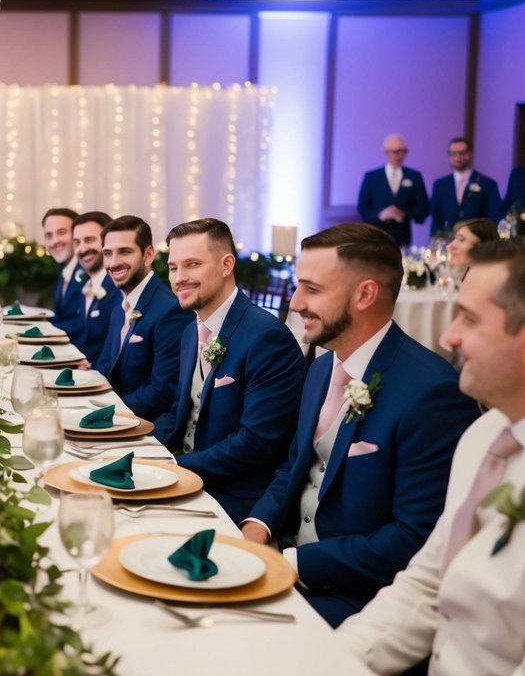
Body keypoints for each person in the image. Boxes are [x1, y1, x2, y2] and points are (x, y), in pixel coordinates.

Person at [242, 223, 477, 627]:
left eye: (312, 289)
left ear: (365, 294)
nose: (295, 303)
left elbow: (412, 539)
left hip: (356, 599)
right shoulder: (319, 369)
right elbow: (295, 466)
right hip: (283, 560)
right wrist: (256, 528)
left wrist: (293, 563)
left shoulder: (432, 392)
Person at [337, 240, 525, 675]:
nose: (448, 336)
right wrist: (334, 659)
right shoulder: (483, 436)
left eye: (470, 319)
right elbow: (427, 582)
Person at [155, 217, 305, 523]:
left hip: (230, 495)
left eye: (192, 264)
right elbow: (179, 410)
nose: (179, 277)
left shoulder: (266, 337)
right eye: (173, 267)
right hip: (183, 477)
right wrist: (141, 449)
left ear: (226, 265)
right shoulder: (191, 331)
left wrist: (173, 466)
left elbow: (255, 444)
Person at [93, 215, 193, 421]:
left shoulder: (169, 310)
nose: (113, 263)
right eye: (107, 253)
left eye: (125, 252)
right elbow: (105, 368)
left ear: (148, 256)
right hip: (114, 414)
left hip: (143, 425)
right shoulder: (119, 306)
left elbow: (161, 392)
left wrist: (108, 411)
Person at [356, 134, 429, 247]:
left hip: (402, 237)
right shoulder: (372, 177)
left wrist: (404, 214)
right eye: (391, 151)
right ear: (385, 152)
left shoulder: (414, 176)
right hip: (376, 236)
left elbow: (423, 209)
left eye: (400, 151)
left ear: (405, 152)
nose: (396, 155)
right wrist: (379, 215)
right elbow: (362, 208)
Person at [69, 211, 119, 367]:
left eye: (89, 240)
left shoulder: (119, 287)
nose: (82, 249)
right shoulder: (86, 283)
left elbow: (116, 352)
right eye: (77, 242)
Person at [431, 136, 502, 236]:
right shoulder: (440, 185)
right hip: (448, 241)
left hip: (478, 241)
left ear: (470, 154)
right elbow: (436, 220)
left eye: (462, 153)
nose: (457, 157)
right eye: (453, 154)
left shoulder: (488, 184)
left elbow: (493, 217)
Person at [43, 207, 83, 336]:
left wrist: (43, 331)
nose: (54, 241)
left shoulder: (88, 272)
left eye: (61, 232)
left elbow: (83, 324)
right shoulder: (65, 268)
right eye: (49, 235)